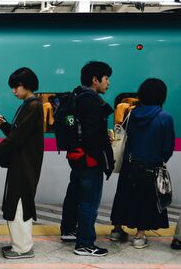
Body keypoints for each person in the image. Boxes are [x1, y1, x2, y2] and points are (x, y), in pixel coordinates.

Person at [0, 67, 44, 259]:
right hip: (21, 162)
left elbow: (17, 138)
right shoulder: (27, 104)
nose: (13, 90)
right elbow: (17, 134)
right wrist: (3, 124)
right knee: (16, 202)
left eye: (16, 86)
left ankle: (23, 248)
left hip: (26, 164)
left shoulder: (33, 106)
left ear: (26, 85)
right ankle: (18, 244)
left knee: (20, 204)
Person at [110, 78, 175, 248]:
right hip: (151, 166)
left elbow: (126, 138)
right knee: (145, 201)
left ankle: (117, 230)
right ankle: (139, 236)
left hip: (129, 164)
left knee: (124, 196)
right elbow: (168, 147)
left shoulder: (131, 114)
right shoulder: (165, 117)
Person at [60, 61, 114, 256]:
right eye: (106, 78)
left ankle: (68, 230)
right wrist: (103, 153)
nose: (108, 83)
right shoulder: (91, 99)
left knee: (74, 194)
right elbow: (91, 136)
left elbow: (81, 129)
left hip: (76, 156)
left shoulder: (76, 95)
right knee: (89, 201)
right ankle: (85, 243)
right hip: (89, 159)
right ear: (95, 79)